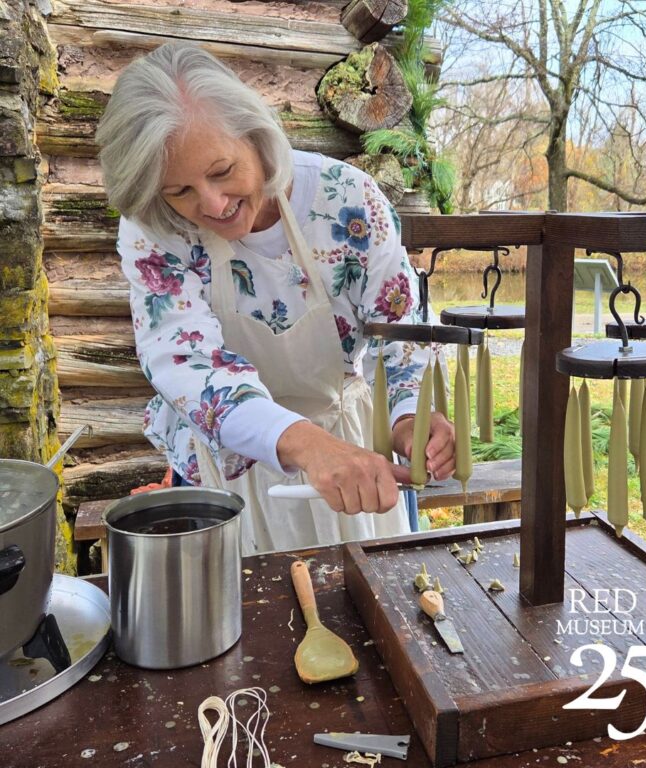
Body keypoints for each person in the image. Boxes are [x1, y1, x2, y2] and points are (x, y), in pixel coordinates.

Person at [95, 42, 455, 555]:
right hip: (223, 468)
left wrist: (409, 417)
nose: (213, 204)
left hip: (349, 451)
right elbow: (183, 360)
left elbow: (400, 327)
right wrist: (305, 443)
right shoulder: (153, 226)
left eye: (222, 171)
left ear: (257, 137)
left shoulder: (347, 199)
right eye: (181, 191)